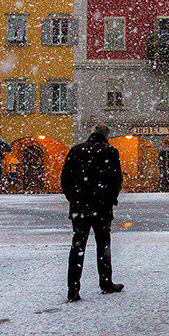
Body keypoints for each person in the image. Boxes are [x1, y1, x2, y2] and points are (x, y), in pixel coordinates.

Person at [61, 125, 124, 301]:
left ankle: (73, 289)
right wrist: (110, 199)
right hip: (102, 207)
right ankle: (106, 282)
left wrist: (73, 198)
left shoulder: (76, 150)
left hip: (79, 206)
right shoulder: (110, 151)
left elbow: (65, 179)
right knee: (103, 244)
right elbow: (116, 179)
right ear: (106, 136)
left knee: (78, 245)